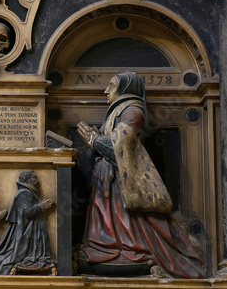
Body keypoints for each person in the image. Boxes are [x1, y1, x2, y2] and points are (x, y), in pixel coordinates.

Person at [76, 72, 205, 278]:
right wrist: (97, 139)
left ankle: (127, 251)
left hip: (124, 180)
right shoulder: (116, 112)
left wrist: (94, 140)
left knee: (125, 222)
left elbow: (121, 146)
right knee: (104, 222)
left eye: (111, 86)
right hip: (105, 177)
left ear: (125, 89)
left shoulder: (133, 112)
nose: (106, 90)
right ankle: (107, 250)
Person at [0, 170, 56, 275]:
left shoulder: (28, 192)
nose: (37, 180)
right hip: (26, 231)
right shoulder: (23, 193)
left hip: (31, 229)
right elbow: (27, 212)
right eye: (34, 178)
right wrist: (41, 206)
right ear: (26, 179)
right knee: (6, 258)